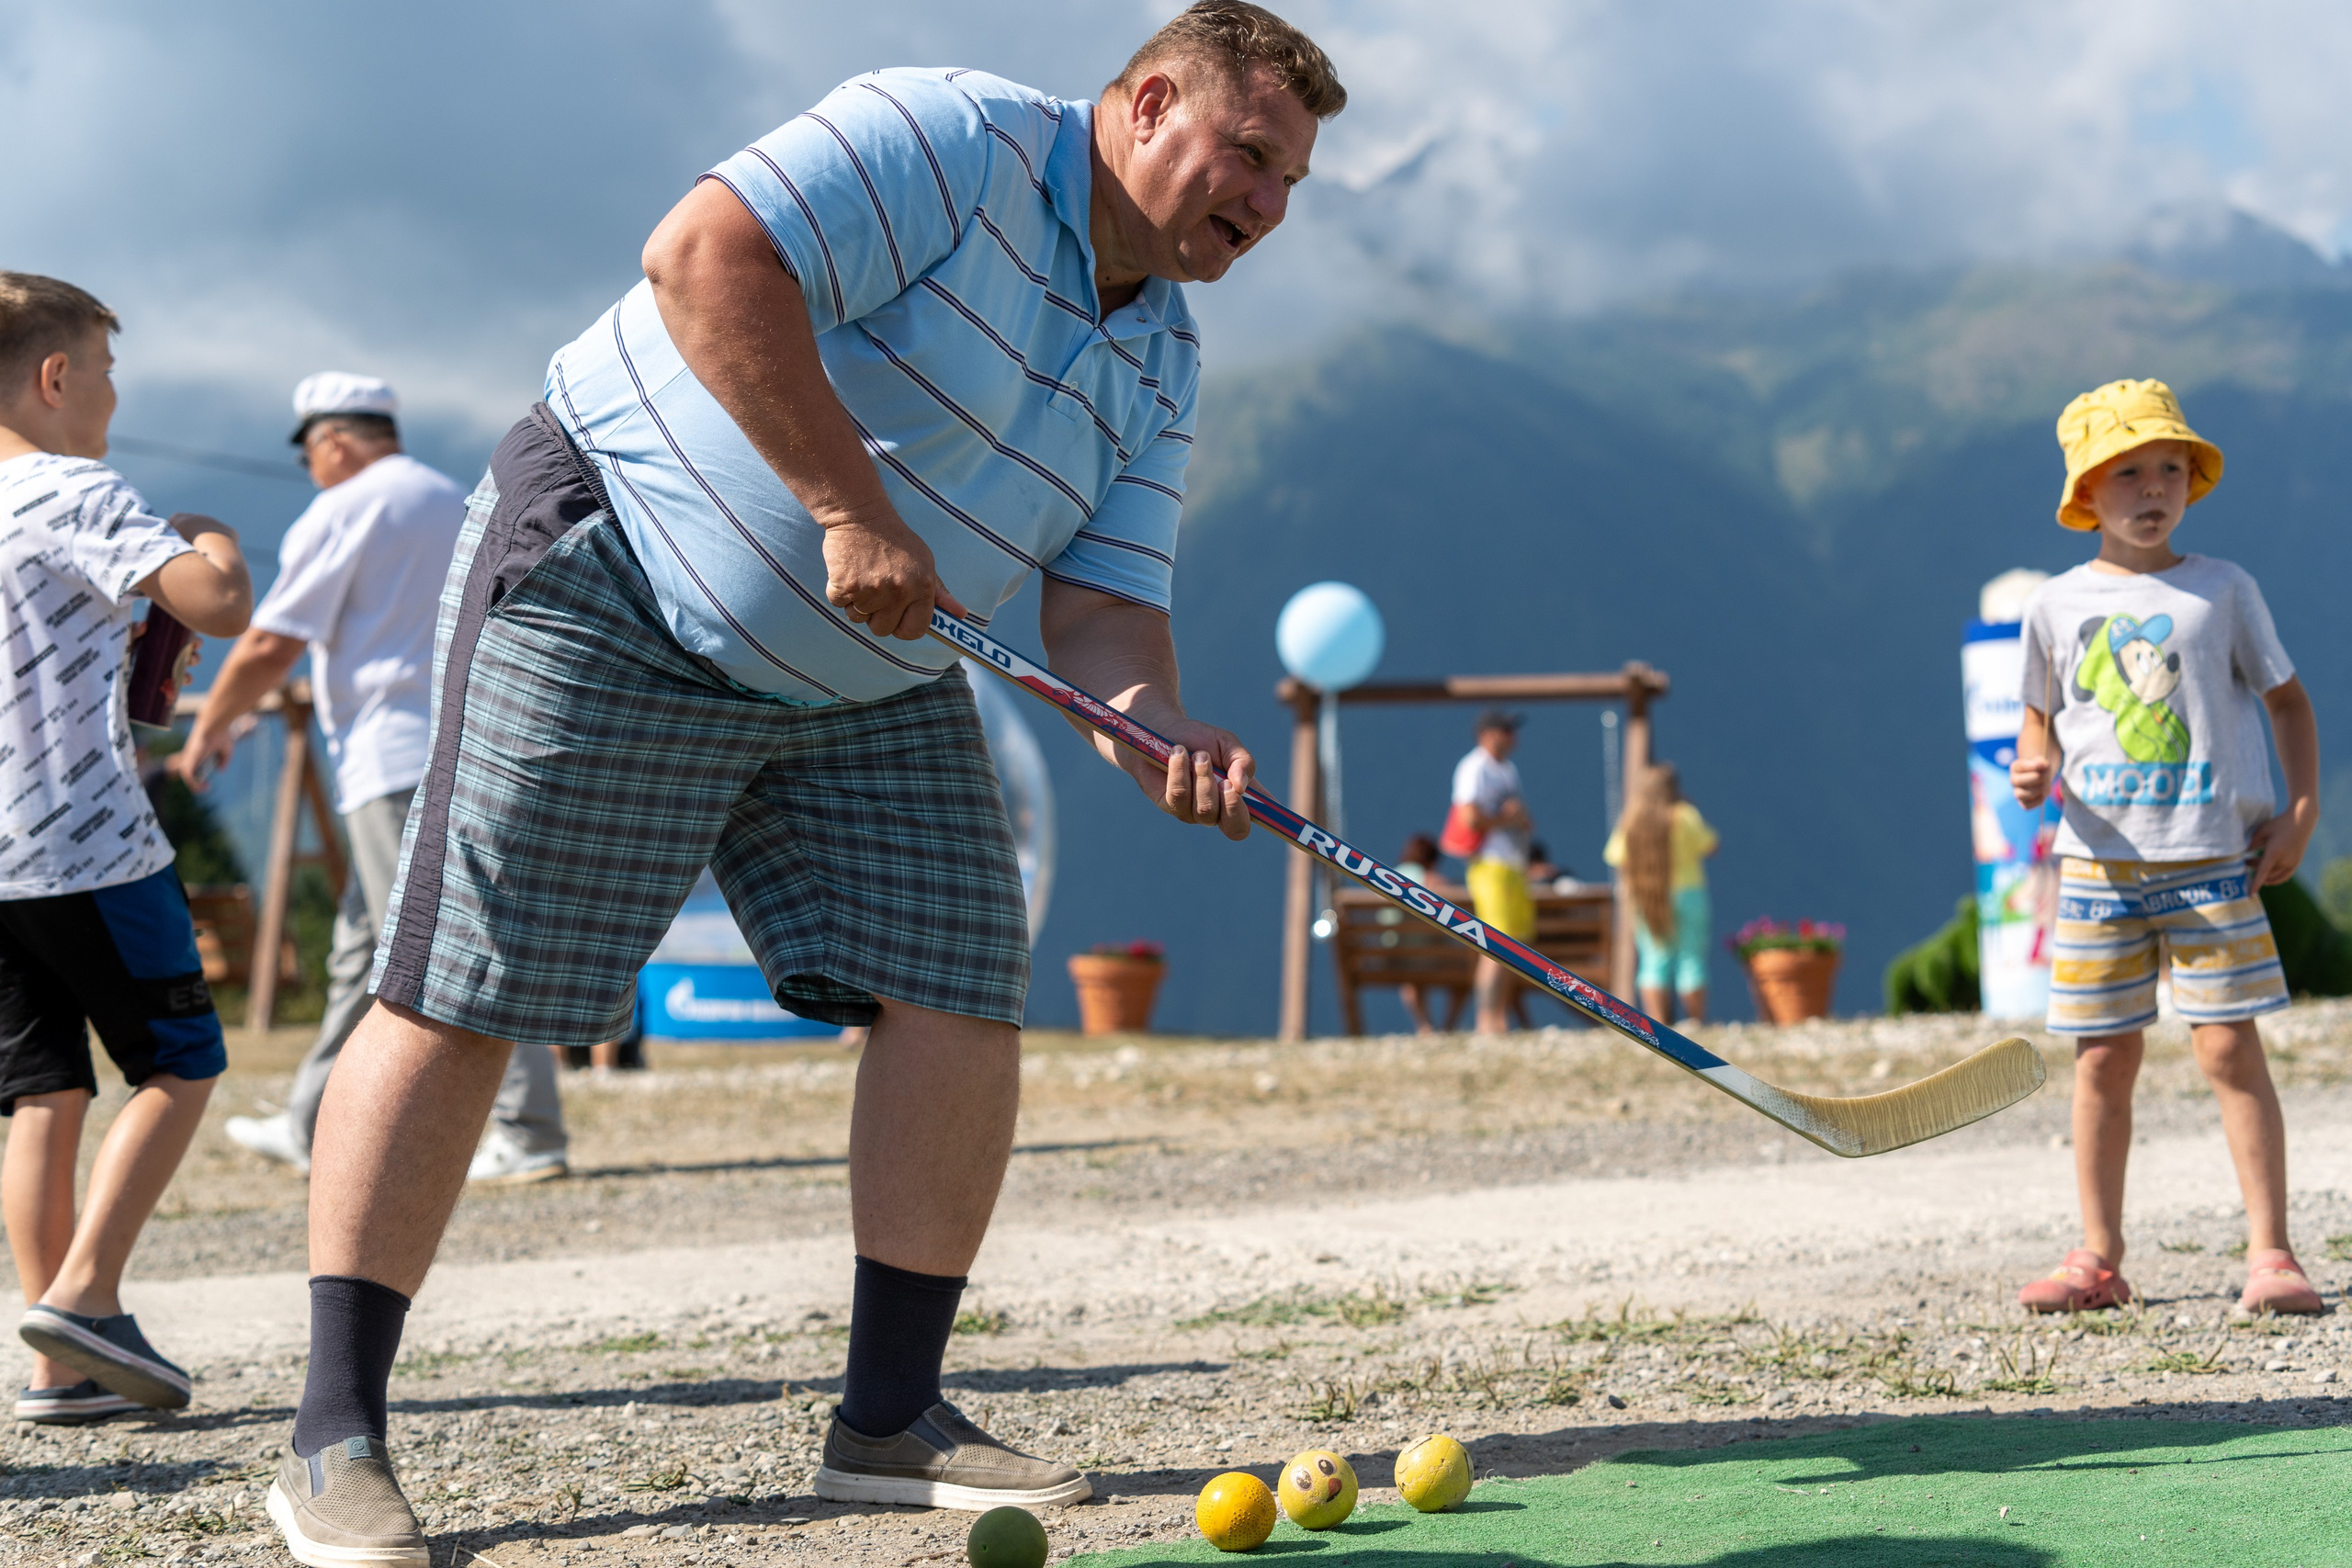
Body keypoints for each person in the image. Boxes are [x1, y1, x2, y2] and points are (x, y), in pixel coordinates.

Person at [265, 7, 1345, 1561]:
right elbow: (702, 257)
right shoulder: (952, 137)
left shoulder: (1162, 353)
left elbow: (1103, 618)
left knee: (959, 977)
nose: (1268, 202)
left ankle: (889, 1418)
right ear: (1151, 100)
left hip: (873, 672)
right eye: (1249, 153)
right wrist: (847, 508)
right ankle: (333, 1436)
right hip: (618, 574)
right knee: (462, 987)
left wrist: (1157, 728)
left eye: (1291, 180)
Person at [175, 375, 572, 1185]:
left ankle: (527, 1129)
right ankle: (310, 1121)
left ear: (331, 441)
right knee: (362, 949)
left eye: (310, 454)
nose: (311, 468)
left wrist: (210, 723)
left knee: (452, 941)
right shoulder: (456, 496)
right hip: (466, 738)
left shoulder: (346, 506)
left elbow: (270, 641)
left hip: (390, 758)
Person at [2008, 378, 2322, 1317]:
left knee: (2228, 1049)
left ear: (2192, 481)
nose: (2153, 489)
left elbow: (2288, 701)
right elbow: (2039, 715)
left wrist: (2300, 812)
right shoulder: (2053, 604)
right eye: (2128, 472)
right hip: (2097, 868)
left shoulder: (2222, 589)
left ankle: (2271, 1252)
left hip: (2213, 859)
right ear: (2085, 493)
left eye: (2170, 470)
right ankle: (2098, 1256)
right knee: (2102, 1059)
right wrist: (2032, 763)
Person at [0, 274, 254, 1424]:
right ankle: (88, 1299)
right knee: (179, 1062)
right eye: (106, 370)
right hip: (88, 841)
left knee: (43, 1093)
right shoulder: (72, 487)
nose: (113, 393)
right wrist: (210, 532)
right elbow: (219, 602)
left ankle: (58, 1370)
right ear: (56, 377)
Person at [1603, 763, 1718, 1024]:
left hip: (1647, 895)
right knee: (1691, 957)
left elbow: (1618, 858)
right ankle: (1695, 1022)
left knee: (1654, 960)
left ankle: (1656, 1024)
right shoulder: (1685, 815)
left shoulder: (1632, 819)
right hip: (1688, 893)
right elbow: (1710, 846)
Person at [1449, 709, 1533, 1033]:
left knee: (1514, 945)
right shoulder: (1475, 767)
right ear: (1488, 734)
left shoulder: (1507, 769)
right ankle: (1486, 1021)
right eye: (1506, 730)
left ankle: (1500, 1018)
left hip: (1512, 864)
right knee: (1495, 943)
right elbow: (1469, 817)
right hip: (1489, 864)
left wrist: (1519, 819)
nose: (1513, 737)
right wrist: (1508, 818)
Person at [1388, 832, 1464, 1034]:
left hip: (1396, 957)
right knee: (1466, 971)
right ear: (1433, 860)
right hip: (1432, 956)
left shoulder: (1390, 876)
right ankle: (1448, 1027)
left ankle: (1424, 1026)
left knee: (1413, 976)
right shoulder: (1434, 881)